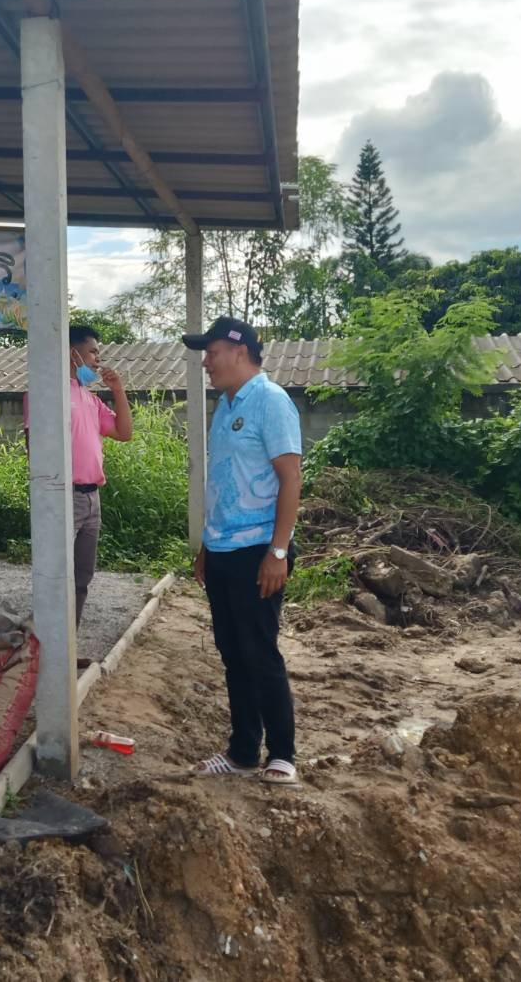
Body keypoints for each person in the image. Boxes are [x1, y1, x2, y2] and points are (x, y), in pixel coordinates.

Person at [183, 317, 303, 786]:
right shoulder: (225, 406)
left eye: (211, 353)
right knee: (232, 653)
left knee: (259, 651)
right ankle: (242, 751)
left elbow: (291, 478)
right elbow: (222, 482)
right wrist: (206, 546)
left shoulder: (271, 401)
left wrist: (278, 552)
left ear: (239, 351)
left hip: (258, 550)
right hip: (222, 550)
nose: (206, 363)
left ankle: (283, 754)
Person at [24, 324, 133, 631]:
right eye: (93, 352)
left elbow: (124, 432)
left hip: (91, 497)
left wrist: (118, 390)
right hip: (63, 495)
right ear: (73, 353)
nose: (98, 360)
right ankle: (47, 643)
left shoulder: (89, 398)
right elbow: (34, 445)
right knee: (55, 575)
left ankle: (67, 643)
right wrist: (49, 493)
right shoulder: (46, 392)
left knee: (82, 575)